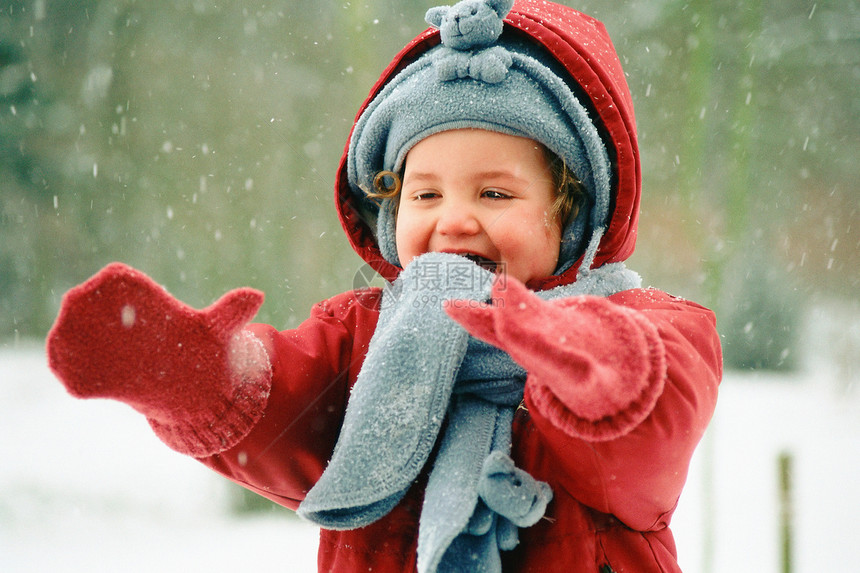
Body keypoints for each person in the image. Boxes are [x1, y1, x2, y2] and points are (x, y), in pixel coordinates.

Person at [46, 0, 722, 571]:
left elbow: (651, 436)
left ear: (570, 214)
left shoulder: (646, 326)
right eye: (426, 193)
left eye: (494, 191)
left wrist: (594, 361)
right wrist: (204, 375)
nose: (455, 220)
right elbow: (295, 417)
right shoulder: (370, 335)